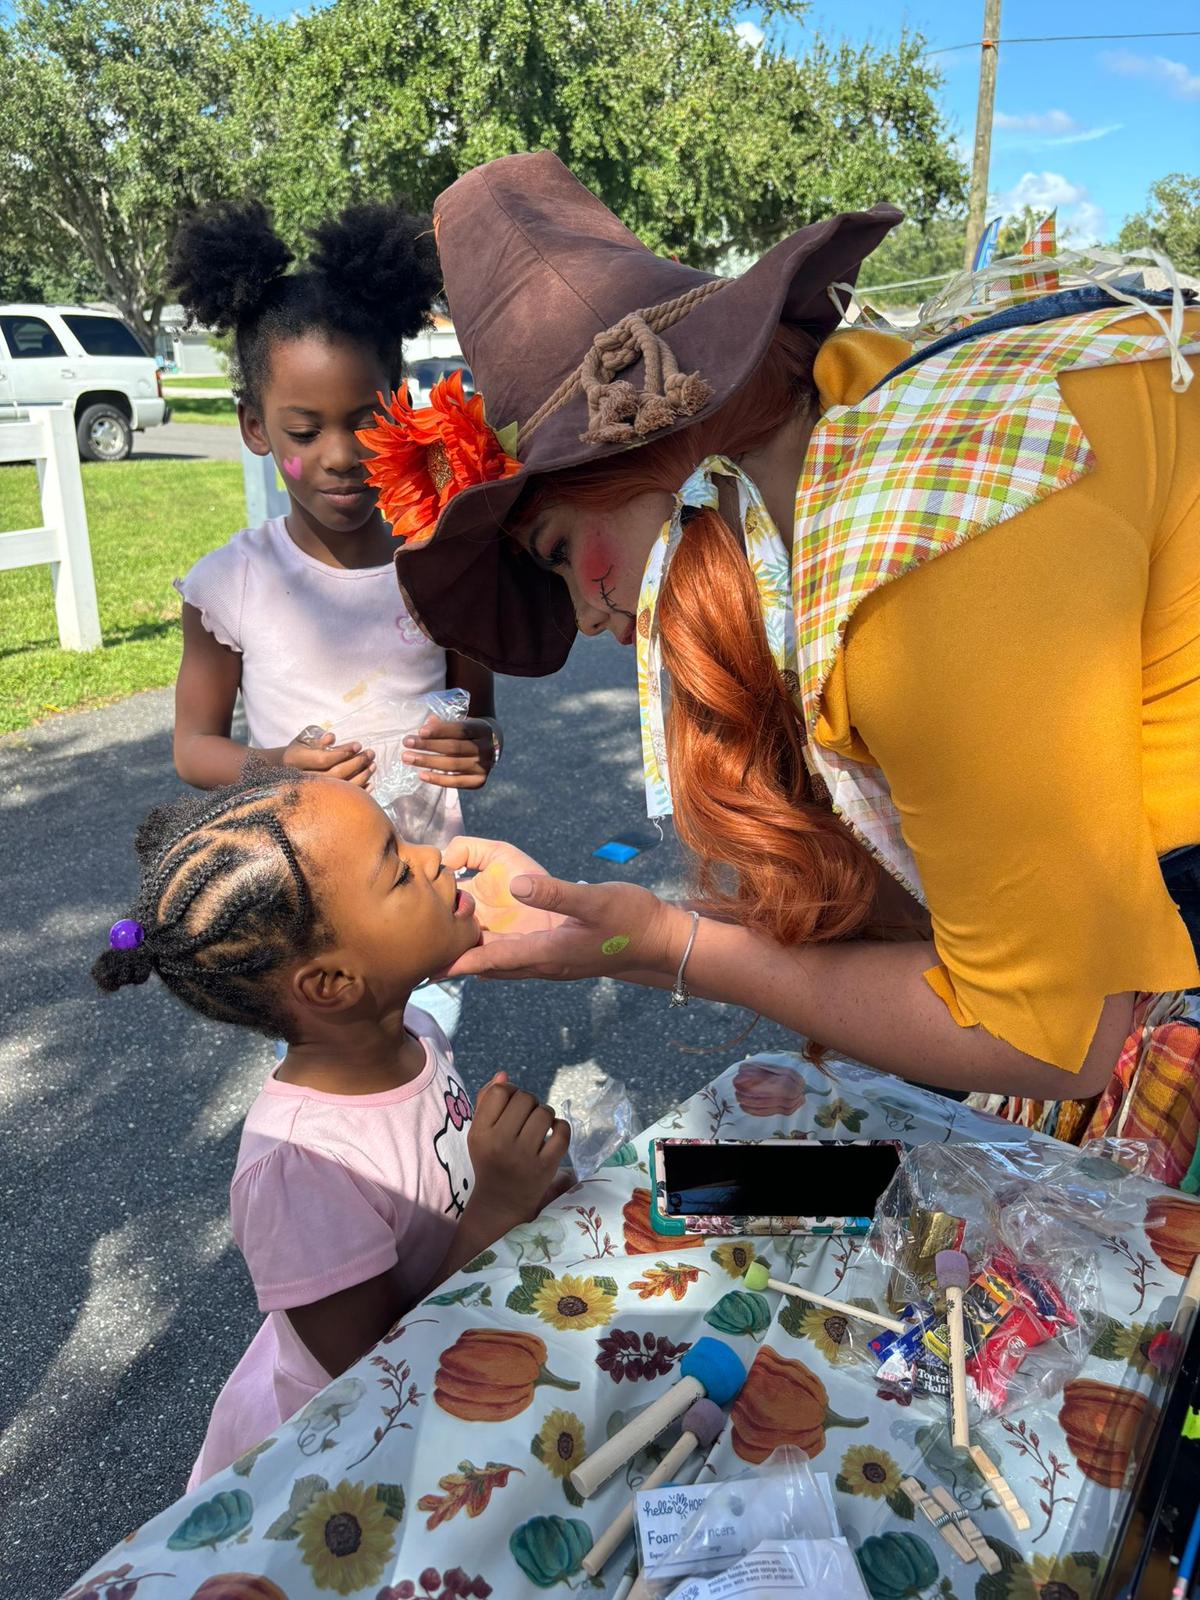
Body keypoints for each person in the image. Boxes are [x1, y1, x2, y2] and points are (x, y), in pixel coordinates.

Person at [363, 152, 1200, 1187]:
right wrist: (632, 927)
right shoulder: (862, 421)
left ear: (647, 455)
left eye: (557, 555)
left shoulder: (920, 583)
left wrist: (670, 945)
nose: (590, 622)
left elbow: (1054, 1035)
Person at [92, 768, 569, 1484]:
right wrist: (500, 1203)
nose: (432, 856)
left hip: (453, 1369)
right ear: (332, 983)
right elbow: (373, 1368)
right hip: (341, 1460)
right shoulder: (301, 1166)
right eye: (398, 870)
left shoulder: (408, 1030)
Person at [167, 198, 502, 849]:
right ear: (255, 428)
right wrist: (276, 767)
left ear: (400, 403)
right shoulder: (229, 584)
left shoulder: (443, 563)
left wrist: (482, 745)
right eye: (304, 430)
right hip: (299, 895)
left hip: (429, 889)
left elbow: (477, 715)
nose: (341, 455)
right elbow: (193, 747)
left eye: (366, 420)